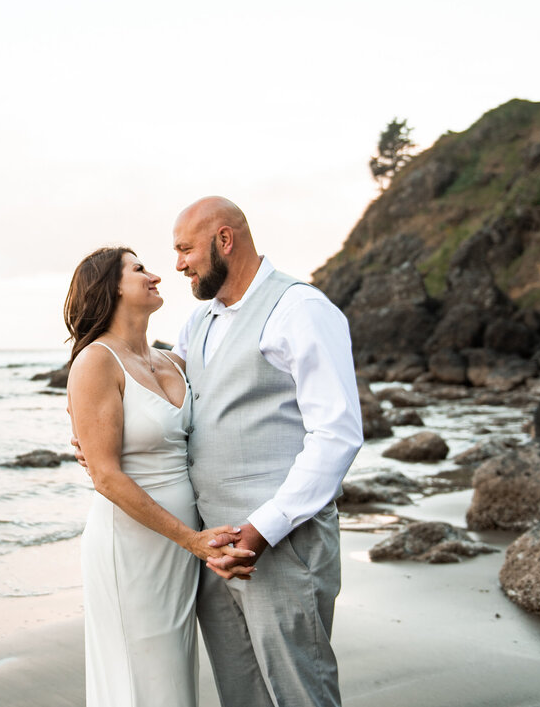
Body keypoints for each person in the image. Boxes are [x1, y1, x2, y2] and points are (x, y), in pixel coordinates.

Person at [74, 197, 363, 707]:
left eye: (186, 249)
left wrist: (266, 528)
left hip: (280, 543)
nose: (177, 264)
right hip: (208, 552)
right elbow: (152, 400)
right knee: (241, 694)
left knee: (300, 691)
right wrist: (97, 444)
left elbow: (336, 435)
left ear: (223, 241)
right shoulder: (197, 324)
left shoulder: (301, 309)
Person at [64, 246, 256, 707]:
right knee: (142, 679)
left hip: (182, 544)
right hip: (132, 547)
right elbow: (107, 477)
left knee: (172, 675)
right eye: (139, 269)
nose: (155, 276)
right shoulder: (95, 362)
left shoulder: (173, 363)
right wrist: (191, 540)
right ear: (111, 287)